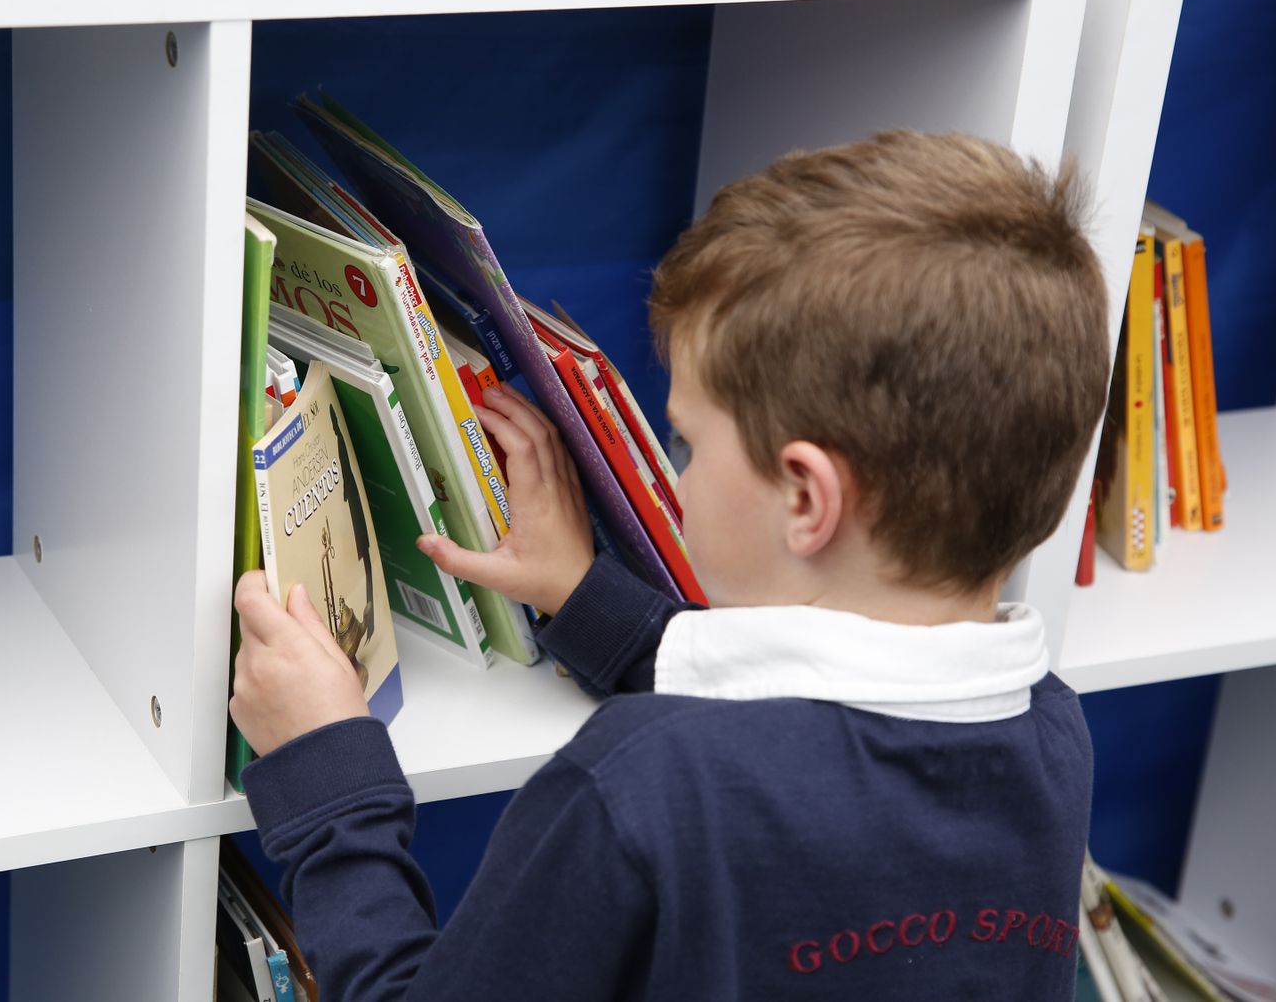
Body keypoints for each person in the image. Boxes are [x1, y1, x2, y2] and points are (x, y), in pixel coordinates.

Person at [228, 130, 1109, 1000]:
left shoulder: (643, 784)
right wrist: (585, 600)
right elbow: (820, 721)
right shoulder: (1051, 739)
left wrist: (330, 775)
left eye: (685, 441)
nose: (676, 470)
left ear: (805, 499)